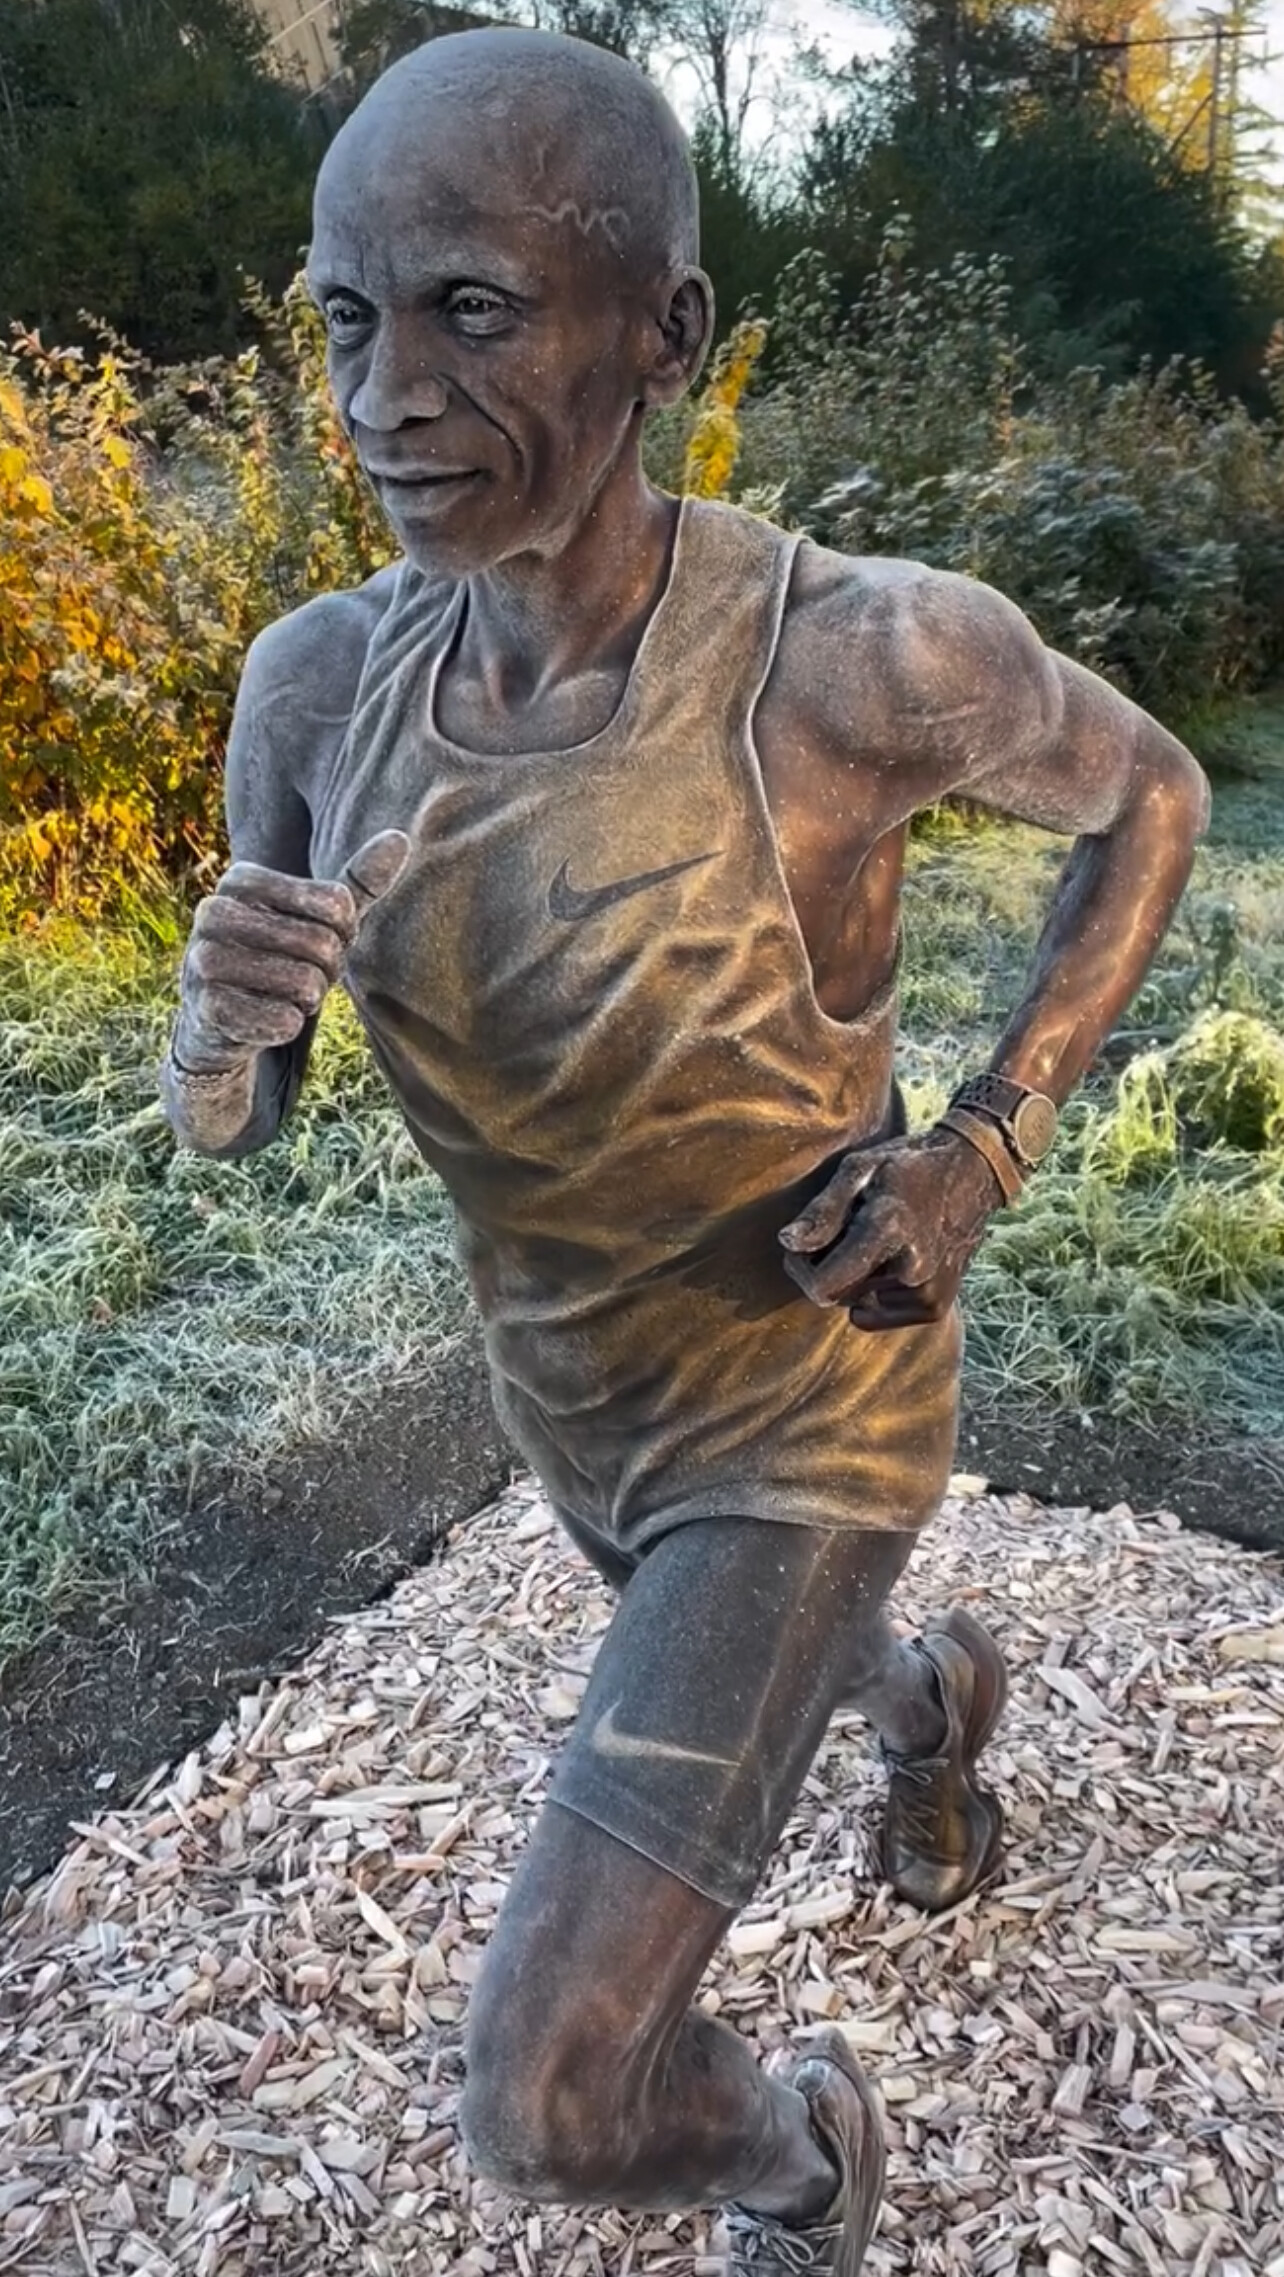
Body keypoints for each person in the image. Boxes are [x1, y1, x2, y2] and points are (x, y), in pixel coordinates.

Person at [159, 28, 1209, 2273]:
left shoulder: (854, 659)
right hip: (577, 1408)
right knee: (793, 1659)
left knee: (554, 2088)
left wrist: (981, 1150)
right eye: (346, 319)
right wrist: (215, 1039)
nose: (386, 395)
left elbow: (1154, 794)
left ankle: (805, 2149)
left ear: (668, 335)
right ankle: (936, 1707)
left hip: (810, 1405)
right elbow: (232, 1125)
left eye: (471, 310)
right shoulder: (318, 691)